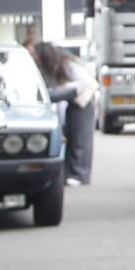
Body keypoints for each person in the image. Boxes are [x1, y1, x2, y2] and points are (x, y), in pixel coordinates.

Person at [30, 39, 94, 186]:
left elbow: (85, 83)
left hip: (83, 102)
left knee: (80, 139)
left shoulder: (66, 64)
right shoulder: (53, 68)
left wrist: (66, 89)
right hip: (74, 103)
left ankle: (79, 174)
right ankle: (72, 173)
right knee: (73, 137)